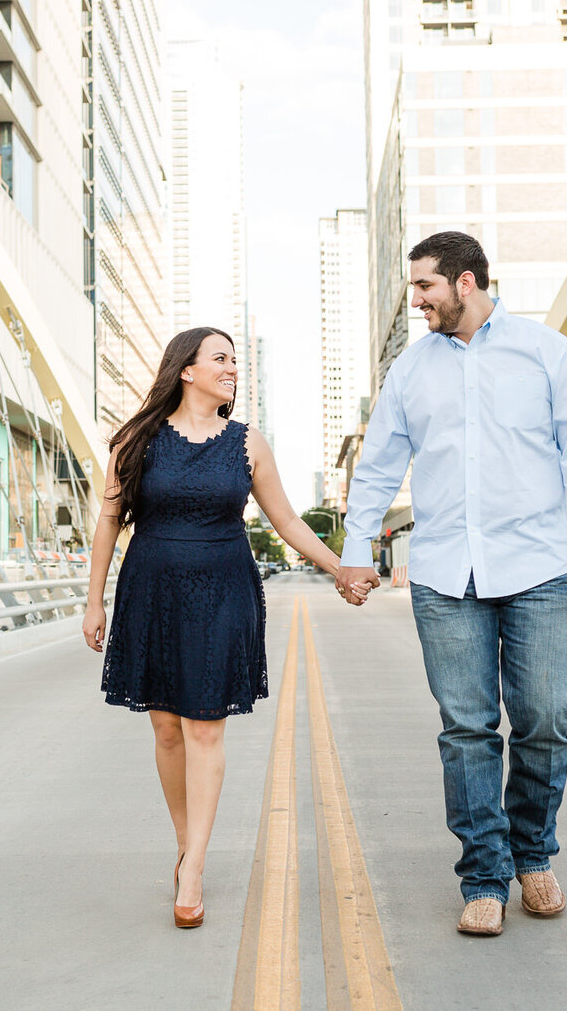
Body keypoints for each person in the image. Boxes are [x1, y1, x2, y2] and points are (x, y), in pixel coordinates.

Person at [335, 231, 567, 938]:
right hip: (444, 572)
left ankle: (534, 853)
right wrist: (354, 549)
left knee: (545, 719)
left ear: (465, 283)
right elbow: (376, 466)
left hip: (541, 568)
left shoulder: (546, 353)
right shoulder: (411, 371)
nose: (417, 301)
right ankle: (486, 875)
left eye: (425, 288)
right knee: (466, 730)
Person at [81, 327, 371, 930]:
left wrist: (340, 568)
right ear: (185, 370)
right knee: (165, 727)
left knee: (204, 728)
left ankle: (194, 870)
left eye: (235, 360)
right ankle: (186, 842)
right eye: (220, 359)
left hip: (223, 592)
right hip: (151, 590)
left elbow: (286, 519)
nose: (232, 368)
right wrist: (94, 602)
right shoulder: (137, 440)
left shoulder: (247, 444)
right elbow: (109, 521)